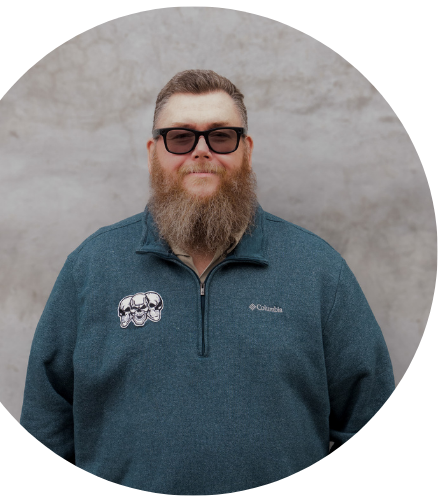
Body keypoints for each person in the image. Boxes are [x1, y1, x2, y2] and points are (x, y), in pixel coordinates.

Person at [20, 70, 395, 495]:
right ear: (153, 153)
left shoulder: (319, 271)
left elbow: (367, 413)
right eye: (180, 137)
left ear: (246, 151)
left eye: (221, 136)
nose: (201, 151)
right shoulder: (90, 268)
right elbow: (44, 425)